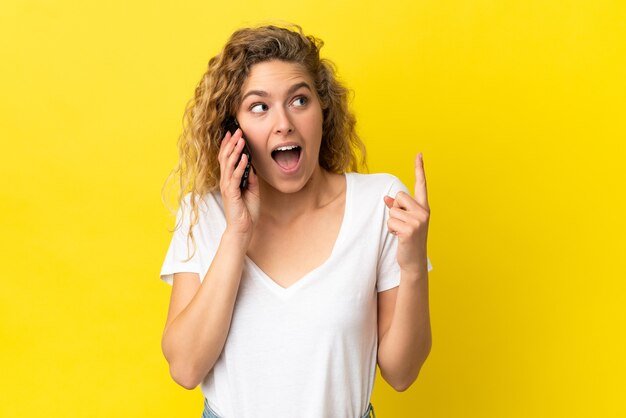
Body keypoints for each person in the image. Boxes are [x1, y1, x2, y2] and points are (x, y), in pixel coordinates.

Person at [159, 24, 433, 418]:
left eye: (299, 100)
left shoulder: (379, 204)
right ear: (233, 131)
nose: (283, 122)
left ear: (323, 112)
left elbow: (402, 372)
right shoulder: (205, 212)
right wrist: (237, 234)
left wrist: (412, 268)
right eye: (259, 106)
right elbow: (185, 369)